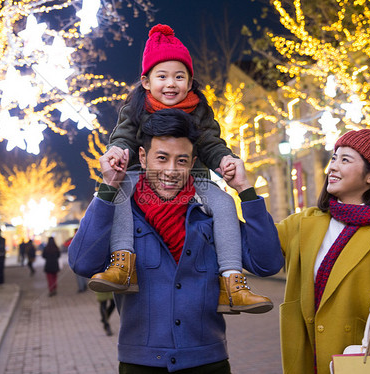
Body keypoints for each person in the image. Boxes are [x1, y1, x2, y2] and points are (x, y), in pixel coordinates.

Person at [68, 109, 283, 372]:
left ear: (192, 163)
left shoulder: (210, 214)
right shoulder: (123, 213)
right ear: (143, 158)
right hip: (140, 364)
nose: (171, 170)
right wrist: (108, 188)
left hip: (209, 363)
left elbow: (268, 263)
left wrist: (245, 191)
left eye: (181, 161)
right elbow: (81, 262)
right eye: (162, 158)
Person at [89, 23, 272, 314]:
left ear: (189, 81)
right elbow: (123, 136)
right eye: (162, 76)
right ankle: (122, 263)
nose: (171, 84)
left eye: (179, 76)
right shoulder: (135, 107)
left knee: (224, 204)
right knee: (120, 191)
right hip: (141, 174)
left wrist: (224, 159)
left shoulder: (199, 108)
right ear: (147, 81)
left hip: (194, 176)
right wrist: (116, 152)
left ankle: (232, 283)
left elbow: (211, 141)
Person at [275, 129, 370, 374]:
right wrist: (244, 189)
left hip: (355, 362)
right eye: (334, 158)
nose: (332, 167)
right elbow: (258, 244)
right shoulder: (304, 222)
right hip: (304, 359)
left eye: (345, 160)